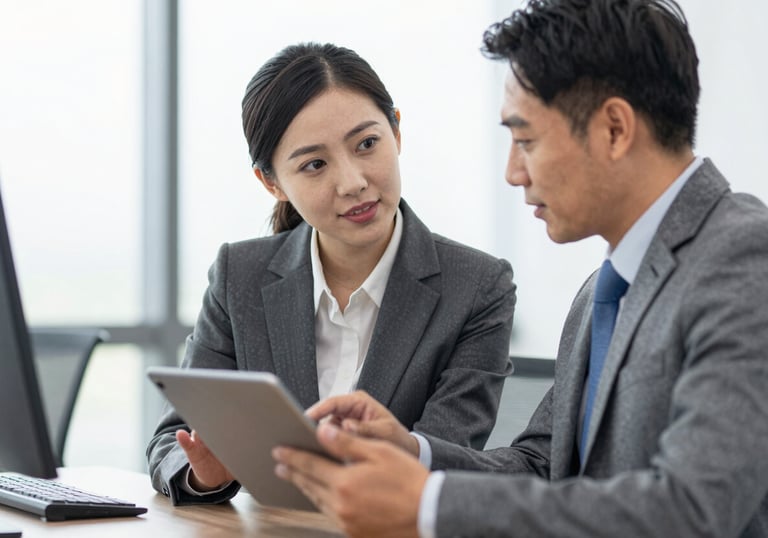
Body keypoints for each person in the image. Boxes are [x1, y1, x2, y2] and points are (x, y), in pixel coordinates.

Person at [271, 1, 768, 537]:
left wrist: (429, 504)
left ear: (616, 129)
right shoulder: (601, 292)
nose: (512, 172)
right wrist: (411, 454)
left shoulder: (745, 259)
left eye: (526, 140)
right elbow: (543, 468)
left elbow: (692, 510)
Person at [146, 42, 517, 505]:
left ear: (396, 131)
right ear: (273, 183)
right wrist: (206, 474)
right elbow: (171, 442)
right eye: (315, 165)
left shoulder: (477, 286)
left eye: (367, 144)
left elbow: (450, 455)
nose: (353, 182)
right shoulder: (238, 276)